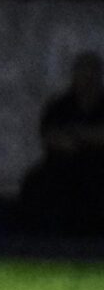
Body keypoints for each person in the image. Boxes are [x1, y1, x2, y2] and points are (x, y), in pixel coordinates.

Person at [20, 52, 104, 237]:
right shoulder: (59, 105)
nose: (87, 79)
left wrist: (77, 134)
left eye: (92, 73)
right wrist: (87, 137)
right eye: (83, 73)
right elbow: (52, 138)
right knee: (35, 181)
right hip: (63, 167)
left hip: (98, 168)